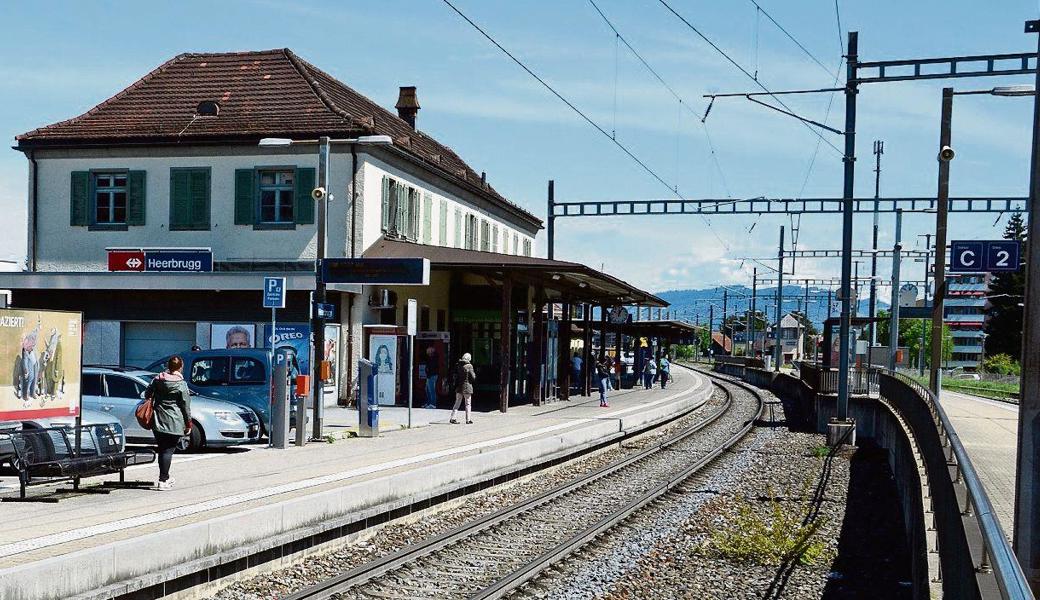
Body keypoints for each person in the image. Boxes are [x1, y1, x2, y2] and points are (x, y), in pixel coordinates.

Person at [146, 356, 192, 491]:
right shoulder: (181, 384)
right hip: (174, 420)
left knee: (162, 449)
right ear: (180, 367)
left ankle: (164, 477)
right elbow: (185, 405)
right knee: (168, 451)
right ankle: (163, 480)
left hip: (157, 418)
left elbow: (147, 394)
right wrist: (188, 424)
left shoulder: (157, 379)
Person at [451, 352, 476, 424]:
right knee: (468, 403)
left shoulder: (458, 365)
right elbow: (473, 377)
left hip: (459, 386)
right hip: (467, 387)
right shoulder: (469, 366)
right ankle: (468, 419)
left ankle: (453, 418)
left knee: (457, 402)